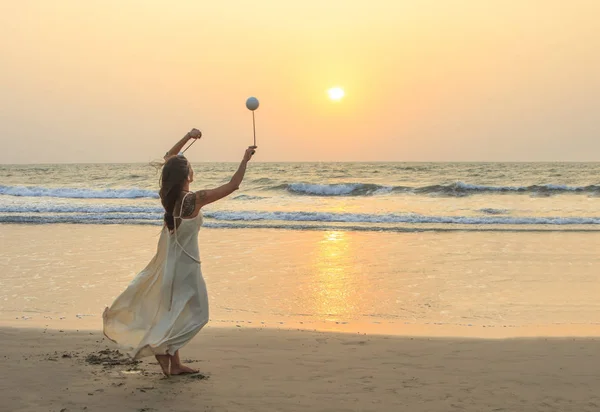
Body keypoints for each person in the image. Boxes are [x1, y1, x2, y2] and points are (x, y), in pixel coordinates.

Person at [103, 128, 257, 376]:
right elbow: (233, 185)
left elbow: (168, 157)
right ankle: (163, 350)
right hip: (185, 268)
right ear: (187, 174)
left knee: (173, 313)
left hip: (170, 266)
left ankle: (174, 364)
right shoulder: (194, 199)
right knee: (199, 313)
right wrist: (245, 159)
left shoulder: (169, 197)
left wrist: (188, 137)